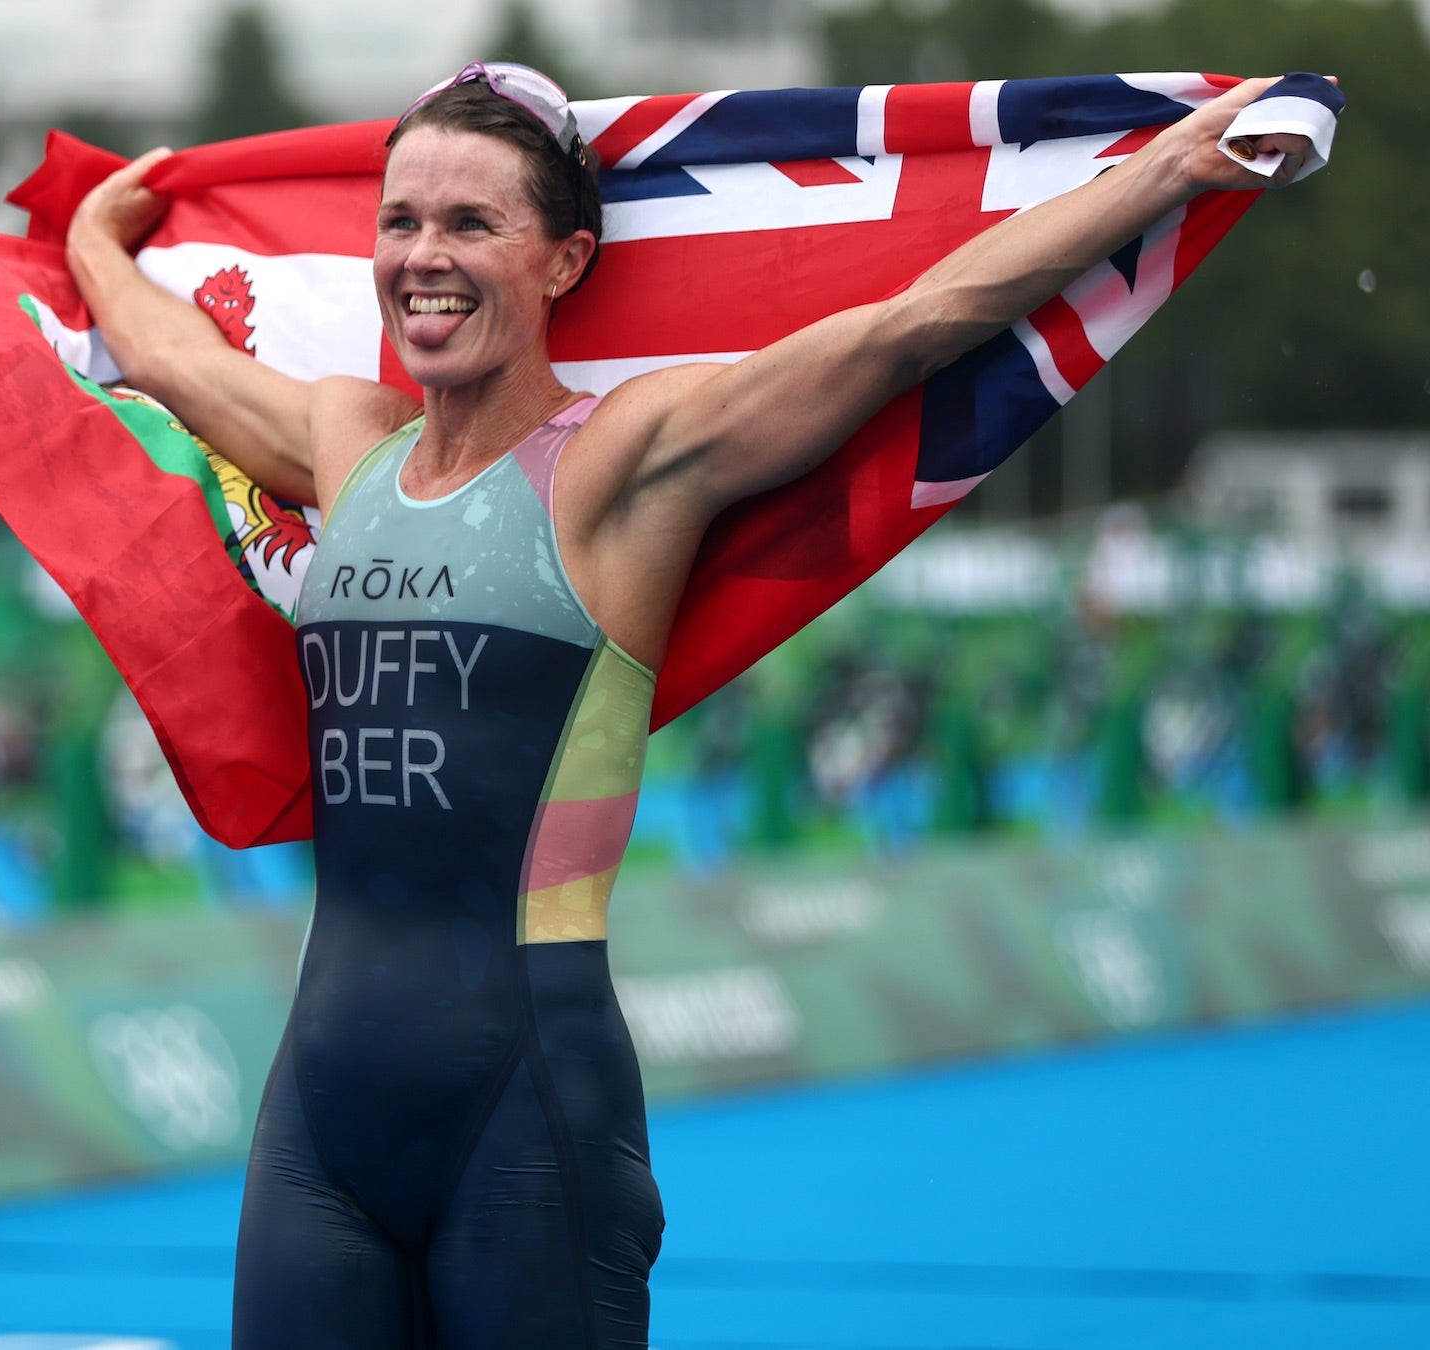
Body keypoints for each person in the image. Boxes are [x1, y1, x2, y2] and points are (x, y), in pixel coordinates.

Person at [66, 61, 1322, 1348]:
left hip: (524, 1107)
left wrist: (1174, 166)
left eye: (472, 222)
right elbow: (169, 358)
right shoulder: (348, 444)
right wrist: (94, 240)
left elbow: (914, 324)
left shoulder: (624, 459)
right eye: (402, 221)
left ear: (565, 260)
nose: (424, 256)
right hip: (319, 1114)